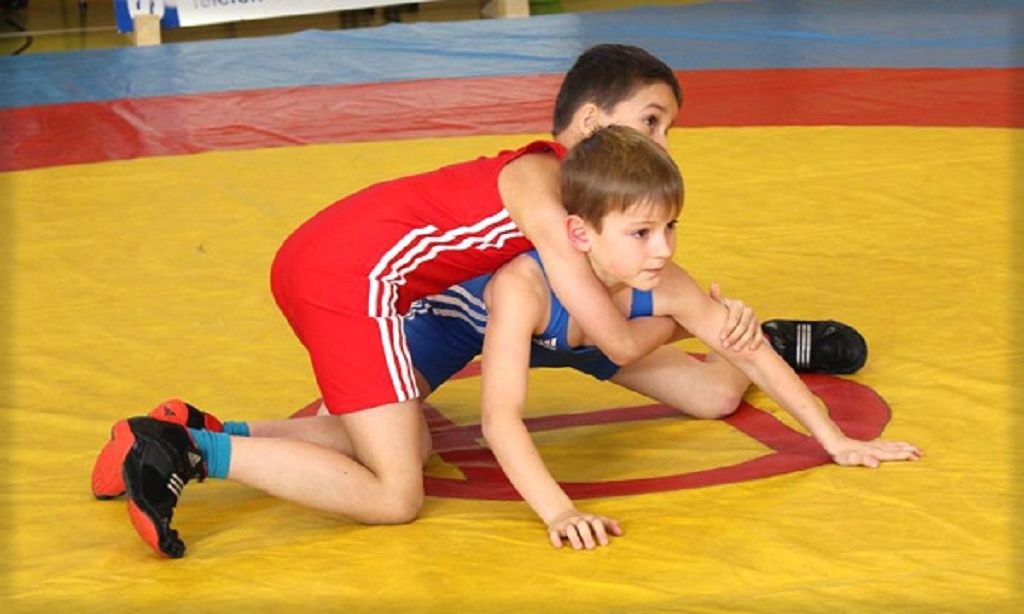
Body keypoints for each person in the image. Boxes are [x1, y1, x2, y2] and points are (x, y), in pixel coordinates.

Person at [92, 44, 866, 558]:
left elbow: (625, 302)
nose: (662, 143)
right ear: (590, 124)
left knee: (714, 390)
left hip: (439, 294)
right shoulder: (545, 187)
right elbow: (615, 338)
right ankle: (187, 451)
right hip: (382, 289)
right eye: (651, 123)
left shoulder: (596, 207)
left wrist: (726, 329)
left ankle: (198, 428)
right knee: (395, 484)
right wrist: (689, 319)